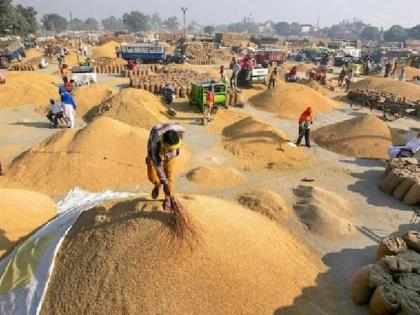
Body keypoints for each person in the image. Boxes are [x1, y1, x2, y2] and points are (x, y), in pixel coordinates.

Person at [146, 123, 185, 205]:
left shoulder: (179, 129)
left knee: (169, 175)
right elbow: (158, 166)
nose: (170, 152)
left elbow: (181, 135)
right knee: (152, 176)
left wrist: (176, 151)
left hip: (170, 148)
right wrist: (165, 183)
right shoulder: (155, 143)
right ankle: (157, 185)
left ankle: (168, 197)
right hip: (154, 152)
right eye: (169, 150)